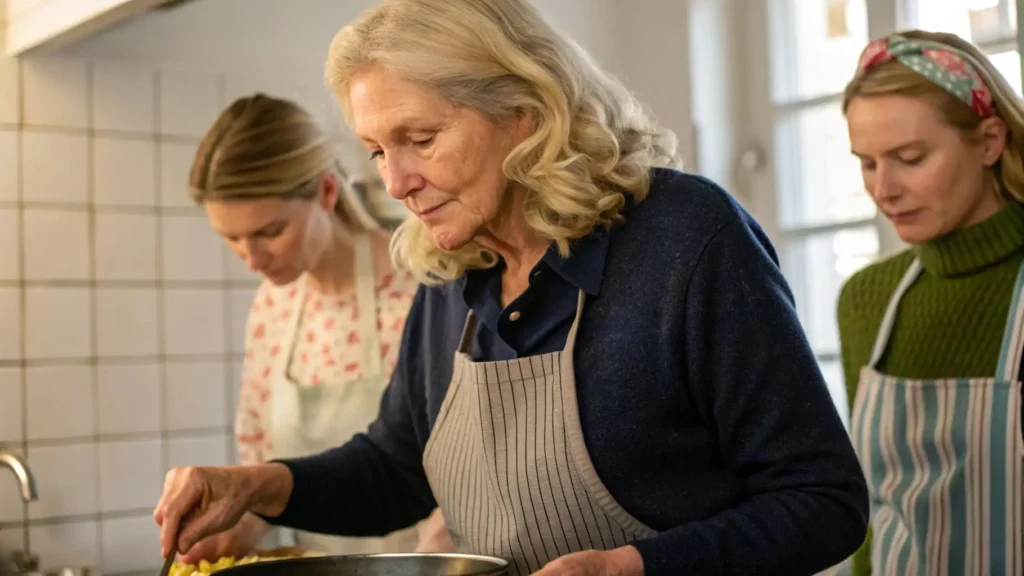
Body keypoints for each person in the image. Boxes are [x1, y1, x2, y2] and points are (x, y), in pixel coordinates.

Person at [154, 1, 869, 575]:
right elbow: (398, 467)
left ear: (523, 113)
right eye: (377, 150)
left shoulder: (687, 239)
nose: (395, 182)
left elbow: (823, 500)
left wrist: (636, 567)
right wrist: (259, 486)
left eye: (421, 139)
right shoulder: (449, 269)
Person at [178, 93, 449, 562]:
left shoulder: (422, 285)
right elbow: (260, 454)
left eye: (269, 231)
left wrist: (432, 556)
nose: (252, 259)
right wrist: (241, 520)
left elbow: (462, 466)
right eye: (232, 238)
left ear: (327, 192)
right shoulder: (273, 305)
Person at [839, 30, 1024, 575]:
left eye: (910, 158)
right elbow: (871, 515)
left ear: (990, 141)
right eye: (867, 163)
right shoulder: (866, 300)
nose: (883, 189)